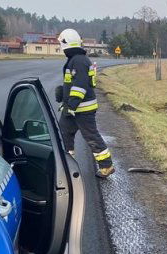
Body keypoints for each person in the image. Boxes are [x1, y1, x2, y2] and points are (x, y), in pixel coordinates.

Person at [57, 28, 114, 178]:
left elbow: (80, 86)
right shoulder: (75, 60)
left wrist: (71, 105)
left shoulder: (79, 61)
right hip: (74, 109)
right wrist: (63, 94)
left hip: (82, 109)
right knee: (64, 133)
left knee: (91, 136)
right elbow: (72, 84)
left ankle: (106, 166)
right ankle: (68, 164)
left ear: (65, 44)